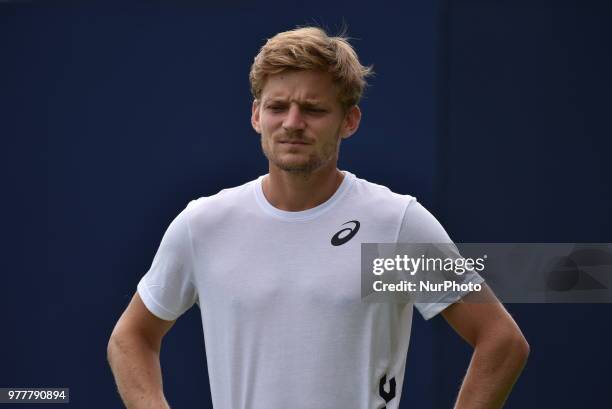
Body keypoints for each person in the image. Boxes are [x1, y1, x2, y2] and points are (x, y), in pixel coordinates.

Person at [107, 26, 529, 409]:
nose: (292, 123)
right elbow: (131, 337)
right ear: (257, 116)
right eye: (278, 107)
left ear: (350, 121)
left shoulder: (395, 223)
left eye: (313, 109)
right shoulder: (204, 225)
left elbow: (501, 341)